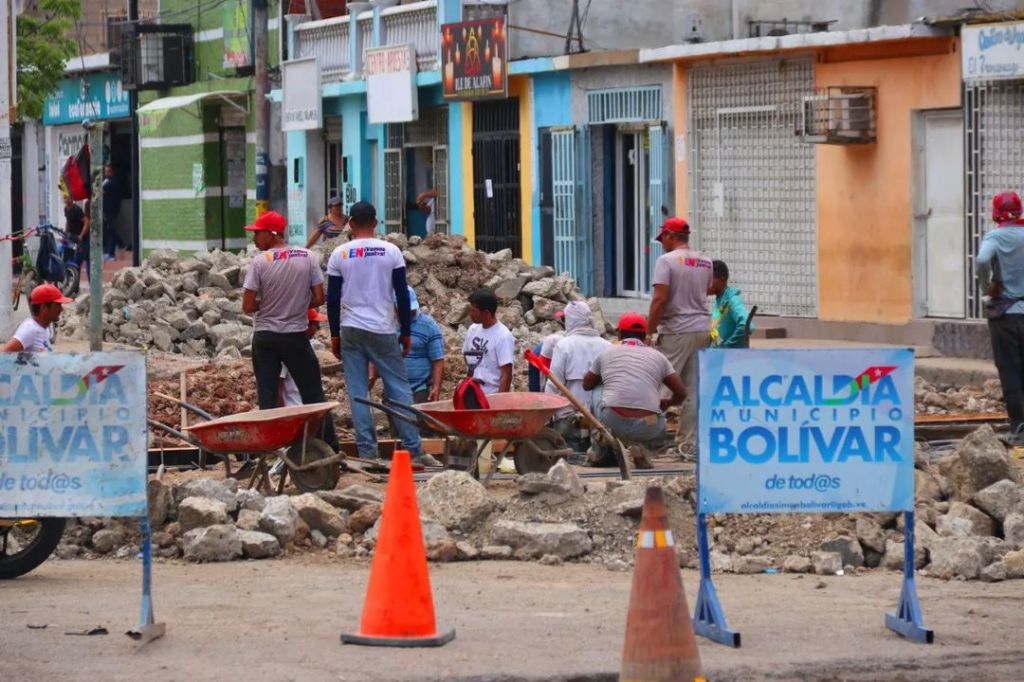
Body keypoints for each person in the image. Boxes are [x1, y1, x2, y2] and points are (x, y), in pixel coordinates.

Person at [326, 201, 442, 467]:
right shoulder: (391, 251)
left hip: (351, 330)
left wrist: (334, 335)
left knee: (358, 391)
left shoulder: (339, 254)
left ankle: (367, 453)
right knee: (399, 388)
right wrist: (407, 332)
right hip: (383, 329)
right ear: (375, 223)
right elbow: (401, 294)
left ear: (351, 223)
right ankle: (414, 450)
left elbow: (332, 300)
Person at [241, 211, 339, 451]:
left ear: (271, 234)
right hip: (295, 336)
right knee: (313, 394)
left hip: (266, 337)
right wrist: (296, 304)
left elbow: (247, 306)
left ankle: (271, 449)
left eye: (257, 234)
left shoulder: (260, 262)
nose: (254, 239)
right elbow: (318, 297)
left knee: (268, 396)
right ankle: (330, 446)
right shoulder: (308, 257)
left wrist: (267, 304)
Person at [583, 313, 686, 467]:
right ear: (645, 336)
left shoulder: (607, 352)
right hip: (649, 425)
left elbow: (587, 385)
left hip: (612, 419)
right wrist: (667, 403)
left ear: (619, 334)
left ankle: (599, 451)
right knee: (652, 406)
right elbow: (681, 393)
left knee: (598, 387)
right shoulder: (659, 357)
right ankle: (642, 449)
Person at [646, 217, 712, 453]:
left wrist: (648, 330)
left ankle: (646, 437)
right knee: (693, 388)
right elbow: (701, 293)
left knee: (659, 385)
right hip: (703, 328)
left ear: (670, 236)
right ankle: (688, 444)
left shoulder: (666, 261)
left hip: (676, 331)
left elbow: (660, 299)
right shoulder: (705, 262)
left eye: (663, 237)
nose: (661, 242)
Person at [977, 191, 1024, 440]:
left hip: (1005, 314)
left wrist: (988, 287)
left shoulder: (996, 236)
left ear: (995, 213)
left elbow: (983, 259)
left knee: (1010, 369)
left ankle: (1019, 429)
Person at [544, 301, 612, 452]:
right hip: (600, 422)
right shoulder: (607, 346)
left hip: (569, 422)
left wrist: (545, 418)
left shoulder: (564, 346)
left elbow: (553, 386)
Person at [369, 286, 446, 404]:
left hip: (419, 389)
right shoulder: (386, 324)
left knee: (415, 421)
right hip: (392, 389)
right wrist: (372, 375)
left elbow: (438, 360)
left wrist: (436, 388)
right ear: (394, 307)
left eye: (411, 310)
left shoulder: (429, 326)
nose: (409, 313)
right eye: (403, 310)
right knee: (396, 420)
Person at [463, 288, 515, 395]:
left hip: (491, 395)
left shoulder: (503, 336)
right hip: (473, 392)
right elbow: (469, 363)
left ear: (486, 312)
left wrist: (499, 402)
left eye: (474, 311)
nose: (470, 314)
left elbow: (506, 374)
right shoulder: (473, 330)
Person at [280, 309, 329, 407]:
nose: (316, 330)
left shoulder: (305, 350)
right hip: (294, 408)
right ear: (306, 326)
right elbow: (279, 384)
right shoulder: (287, 350)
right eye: (316, 326)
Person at [2, 284, 72, 352]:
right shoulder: (30, 329)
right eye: (58, 305)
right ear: (44, 307)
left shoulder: (44, 328)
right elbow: (4, 354)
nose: (61, 309)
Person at [709, 260, 754, 349]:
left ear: (722, 280)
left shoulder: (732, 300)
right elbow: (717, 329)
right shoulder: (721, 301)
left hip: (732, 358)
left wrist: (727, 346)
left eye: (710, 279)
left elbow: (747, 325)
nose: (707, 283)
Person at [63, 192, 90, 274]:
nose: (66, 200)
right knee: (67, 259)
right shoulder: (66, 209)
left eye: (68, 197)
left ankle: (76, 283)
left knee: (77, 262)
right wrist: (65, 234)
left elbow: (86, 222)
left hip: (81, 240)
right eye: (64, 198)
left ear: (72, 198)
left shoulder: (77, 209)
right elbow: (68, 222)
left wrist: (81, 235)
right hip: (71, 237)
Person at [102, 164, 123, 260]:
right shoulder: (107, 181)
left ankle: (111, 253)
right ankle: (121, 244)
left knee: (111, 230)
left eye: (109, 171)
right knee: (110, 229)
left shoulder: (113, 182)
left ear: (113, 172)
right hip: (107, 210)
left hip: (112, 209)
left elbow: (101, 191)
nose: (107, 173)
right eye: (105, 171)